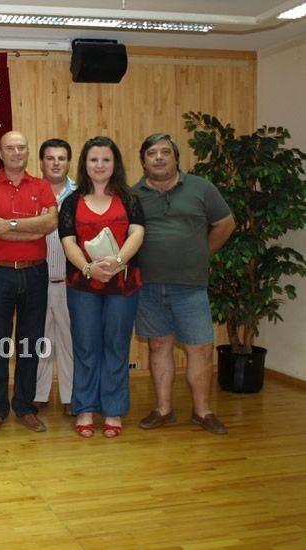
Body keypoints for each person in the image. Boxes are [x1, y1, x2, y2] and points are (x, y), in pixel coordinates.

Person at [134, 133, 235, 435]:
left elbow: (225, 223)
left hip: (190, 286)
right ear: (143, 161)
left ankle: (202, 412)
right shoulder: (133, 194)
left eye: (165, 152)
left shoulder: (201, 188)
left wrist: (202, 253)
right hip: (148, 286)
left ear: (176, 158)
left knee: (200, 348)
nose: (159, 158)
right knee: (158, 346)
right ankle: (163, 409)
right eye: (152, 153)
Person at [59, 136, 145, 439]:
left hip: (122, 285)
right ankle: (84, 408)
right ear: (85, 164)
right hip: (83, 285)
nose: (99, 165)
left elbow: (138, 233)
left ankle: (113, 410)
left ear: (115, 163)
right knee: (85, 346)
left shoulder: (130, 198)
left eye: (106, 159)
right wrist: (88, 268)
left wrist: (119, 261)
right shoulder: (72, 201)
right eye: (93, 159)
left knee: (116, 346)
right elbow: (68, 241)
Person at [0, 130, 58, 434]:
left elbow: (51, 223)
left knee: (30, 343)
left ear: (27, 152)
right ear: (1, 153)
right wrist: (33, 228)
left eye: (21, 147)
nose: (16, 152)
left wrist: (8, 224)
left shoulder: (41, 186)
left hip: (35, 272)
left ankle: (25, 406)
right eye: (10, 148)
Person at [33, 139, 76, 416]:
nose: (56, 163)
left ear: (69, 162)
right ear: (41, 162)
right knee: (41, 340)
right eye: (50, 158)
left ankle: (71, 396)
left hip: (70, 281)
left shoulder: (80, 194)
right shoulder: (32, 192)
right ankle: (38, 394)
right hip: (37, 278)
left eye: (61, 158)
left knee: (70, 341)